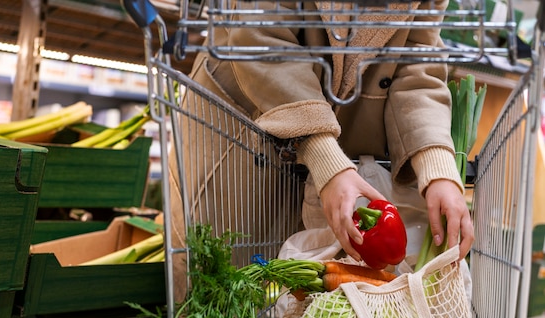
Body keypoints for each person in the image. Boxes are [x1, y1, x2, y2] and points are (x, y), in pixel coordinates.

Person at [168, 0, 474, 300]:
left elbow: (417, 71)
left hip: (336, 158)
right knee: (225, 291)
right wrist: (324, 156)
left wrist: (438, 169)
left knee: (295, 301)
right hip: (245, 132)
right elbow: (262, 39)